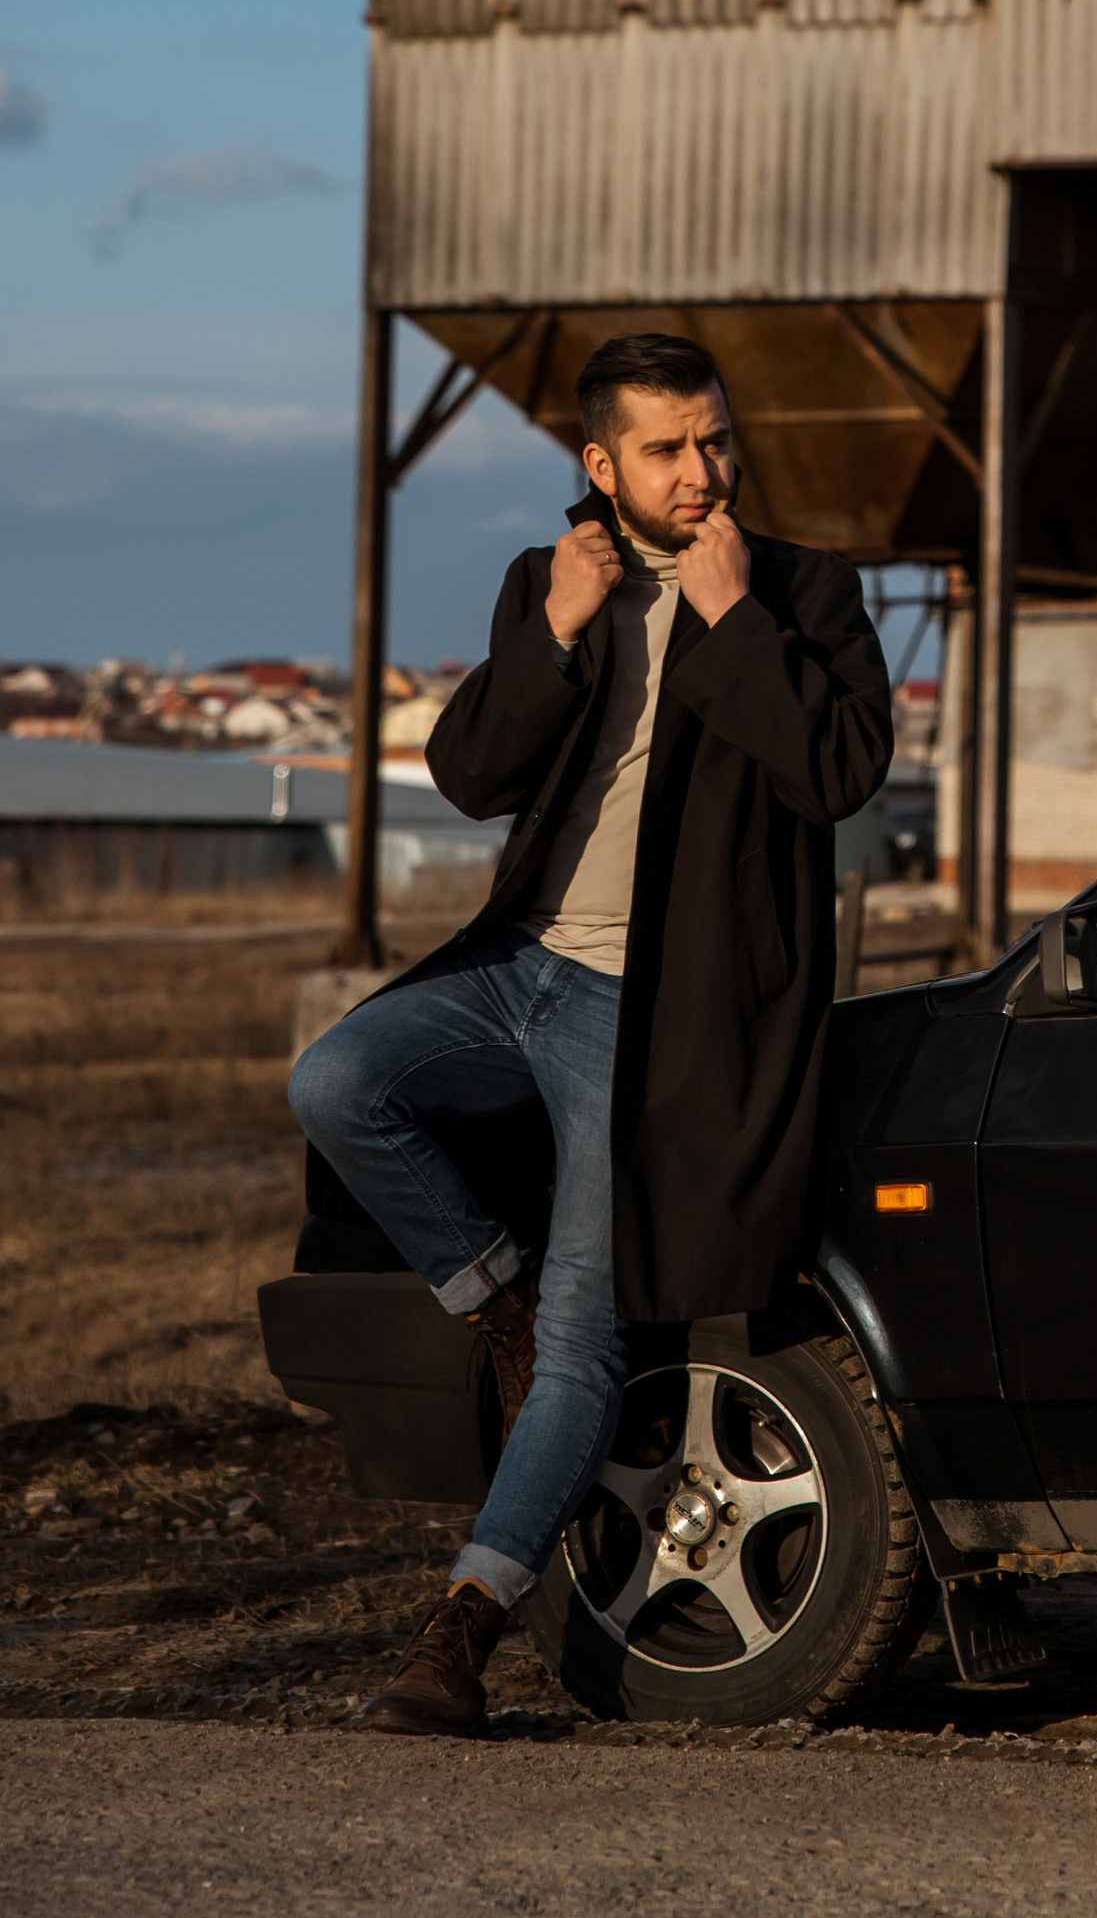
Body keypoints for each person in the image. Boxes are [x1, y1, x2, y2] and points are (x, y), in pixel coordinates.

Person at [287, 328, 891, 1736]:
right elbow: (466, 771)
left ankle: (467, 1618)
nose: (702, 470)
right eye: (668, 449)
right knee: (338, 1077)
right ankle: (486, 1295)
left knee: (582, 1341)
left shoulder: (803, 589)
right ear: (602, 463)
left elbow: (840, 770)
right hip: (521, 966)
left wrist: (736, 623)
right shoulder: (552, 578)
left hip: (657, 1015)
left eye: (715, 439)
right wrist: (554, 629)